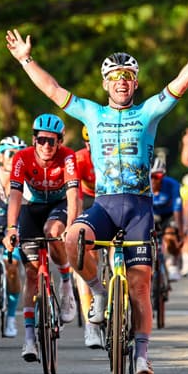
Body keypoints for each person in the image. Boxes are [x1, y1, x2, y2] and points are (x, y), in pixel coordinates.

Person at [6, 18, 188, 374]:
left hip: (140, 207)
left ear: (135, 82)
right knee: (71, 239)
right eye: (115, 77)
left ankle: (142, 355)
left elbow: (181, 83)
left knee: (141, 285)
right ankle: (96, 293)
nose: (121, 81)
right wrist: (25, 60)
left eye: (127, 76)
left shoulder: (148, 112)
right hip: (106, 205)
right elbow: (53, 90)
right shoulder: (92, 114)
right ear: (105, 84)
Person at [2, 114, 80, 362]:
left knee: (53, 232)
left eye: (53, 141)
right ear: (34, 140)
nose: (47, 146)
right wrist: (11, 228)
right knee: (32, 273)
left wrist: (71, 227)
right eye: (42, 140)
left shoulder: (68, 157)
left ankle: (66, 282)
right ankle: (28, 340)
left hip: (59, 206)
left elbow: (73, 195)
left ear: (60, 142)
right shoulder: (21, 158)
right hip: (32, 208)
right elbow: (15, 195)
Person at [0, 135, 27, 338]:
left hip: (14, 223)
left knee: (13, 268)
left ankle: (10, 318)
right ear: (1, 157)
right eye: (9, 154)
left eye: (18, 155)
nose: (13, 158)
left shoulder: (25, 179)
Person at [74, 125, 102, 348]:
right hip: (87, 201)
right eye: (88, 141)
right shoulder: (80, 159)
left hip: (112, 200)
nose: (92, 147)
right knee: (86, 255)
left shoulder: (117, 153)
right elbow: (74, 196)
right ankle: (90, 325)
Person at [150, 156, 184, 280]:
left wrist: (179, 232)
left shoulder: (172, 184)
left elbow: (177, 209)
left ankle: (172, 264)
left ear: (163, 176)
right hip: (150, 214)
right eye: (150, 176)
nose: (153, 180)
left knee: (171, 235)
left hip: (168, 214)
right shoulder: (143, 186)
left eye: (157, 176)